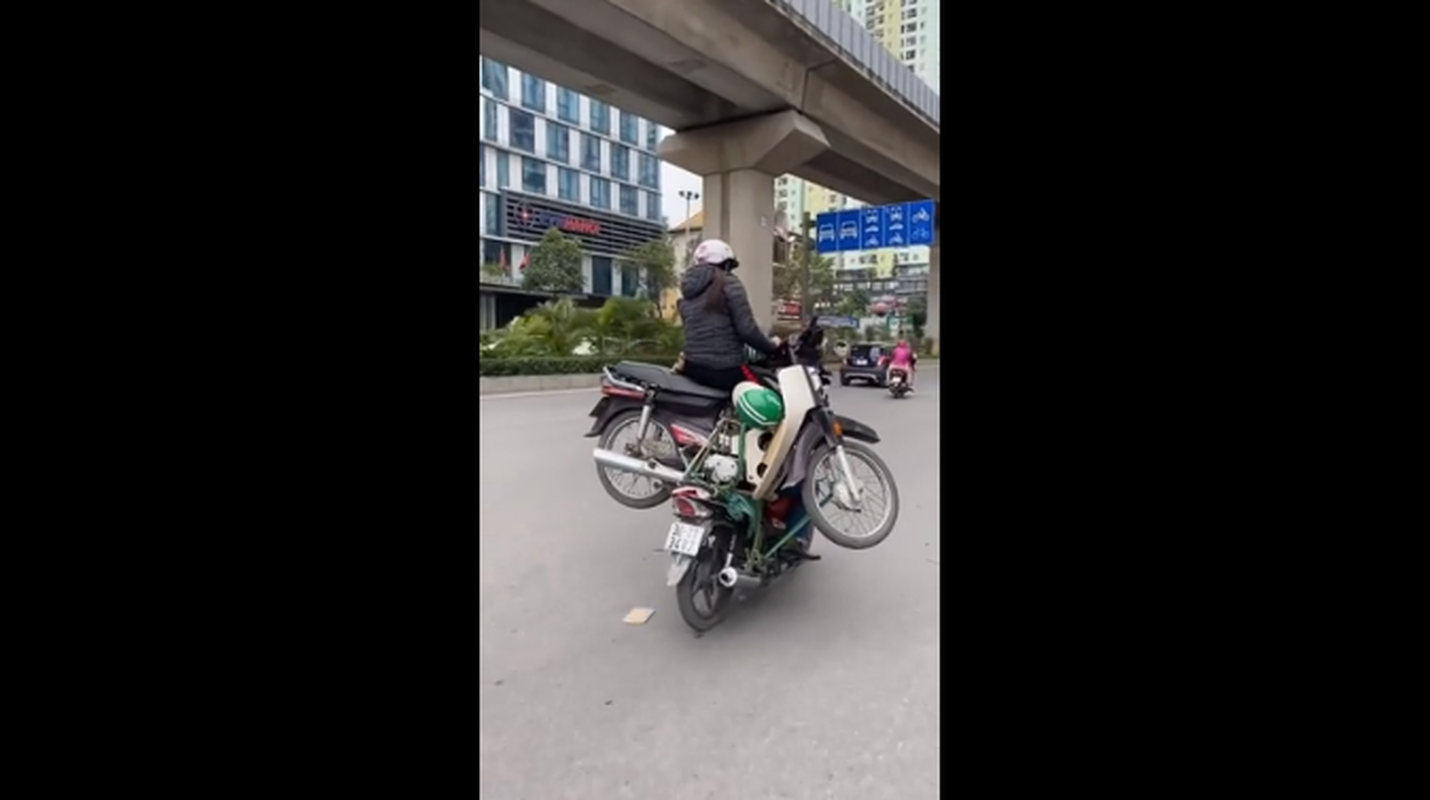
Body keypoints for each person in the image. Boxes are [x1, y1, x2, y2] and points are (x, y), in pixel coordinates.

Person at [676, 239, 782, 395]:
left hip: (693, 367)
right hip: (725, 368)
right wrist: (772, 347)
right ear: (725, 264)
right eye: (729, 266)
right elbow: (747, 330)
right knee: (770, 392)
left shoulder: (687, 291)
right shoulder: (729, 283)